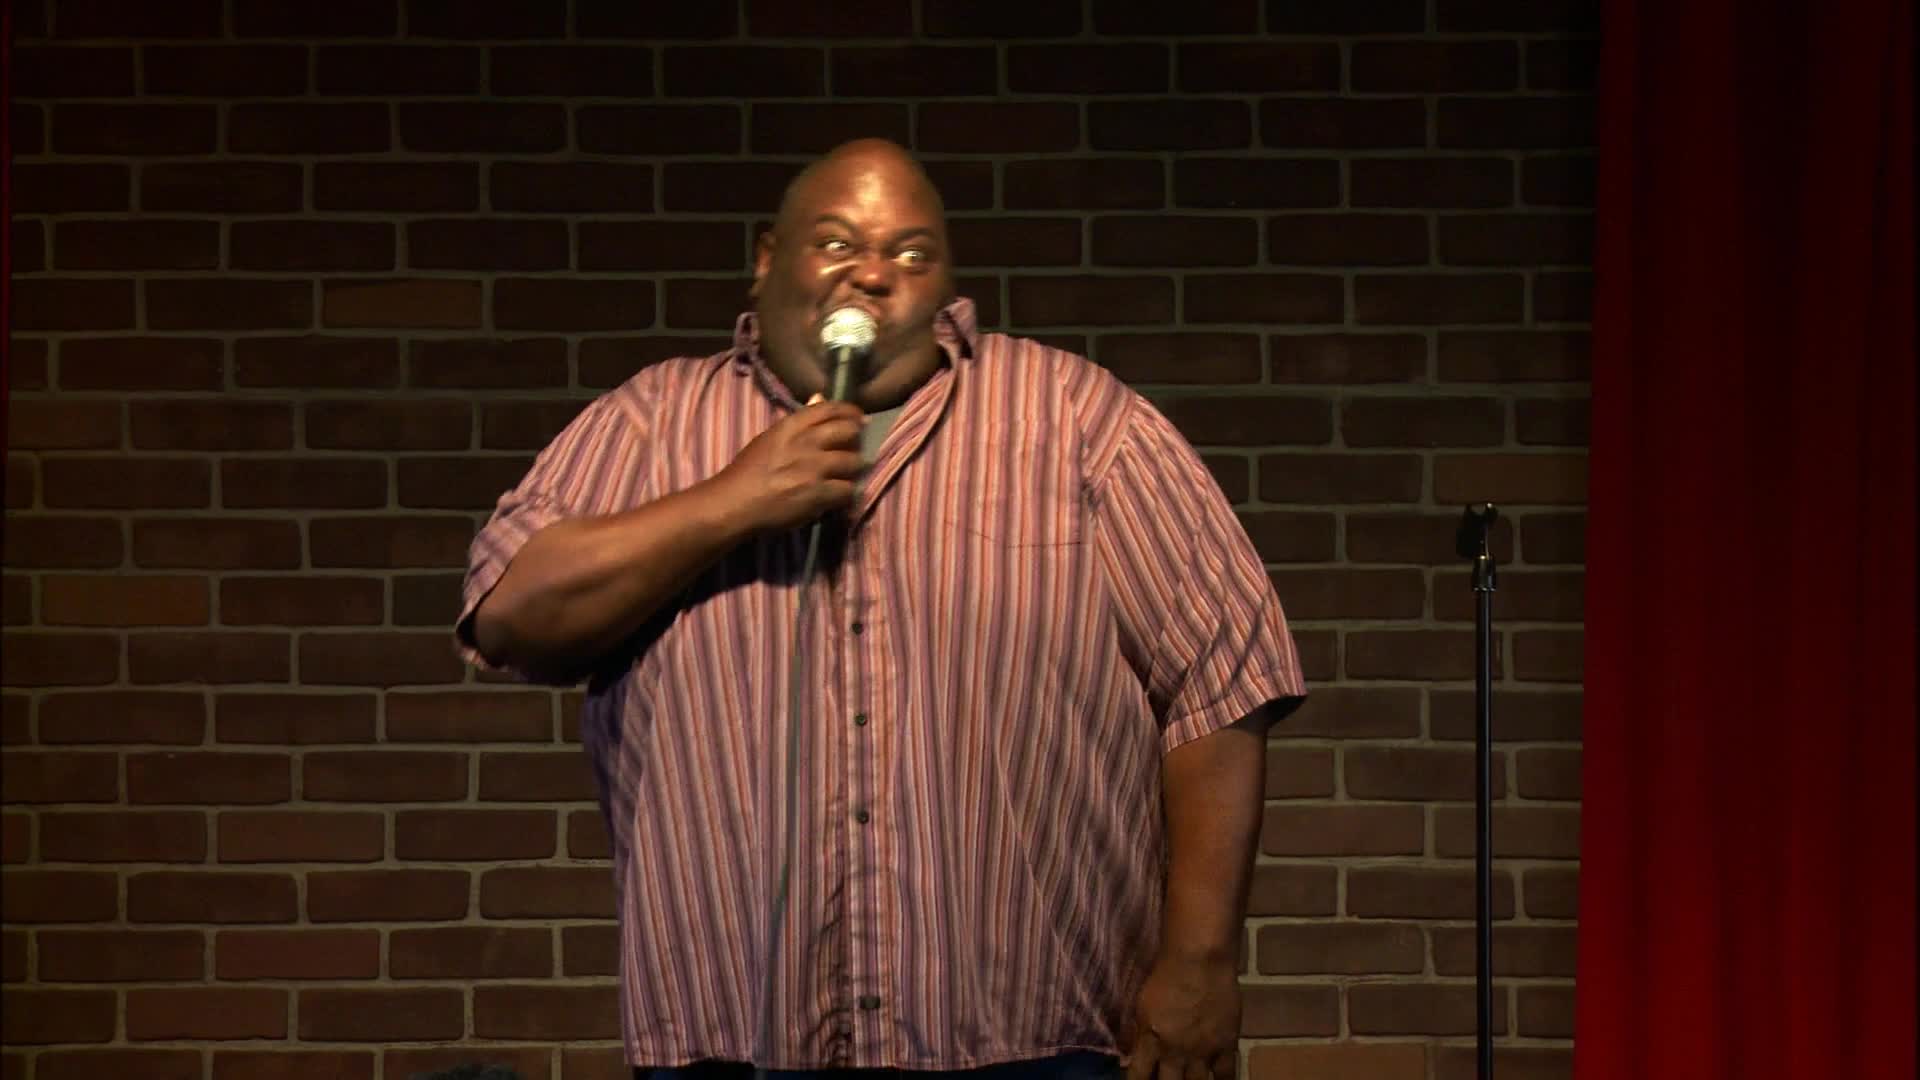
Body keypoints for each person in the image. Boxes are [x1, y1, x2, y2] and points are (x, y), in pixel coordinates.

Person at [456, 139, 1305, 1080]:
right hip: (727, 1043)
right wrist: (732, 501)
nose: (871, 271)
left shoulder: (1076, 421)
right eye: (837, 242)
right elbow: (508, 614)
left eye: (911, 253)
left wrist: (1201, 962)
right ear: (768, 258)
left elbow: (1222, 679)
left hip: (1034, 1043)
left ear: (947, 284)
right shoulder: (648, 424)